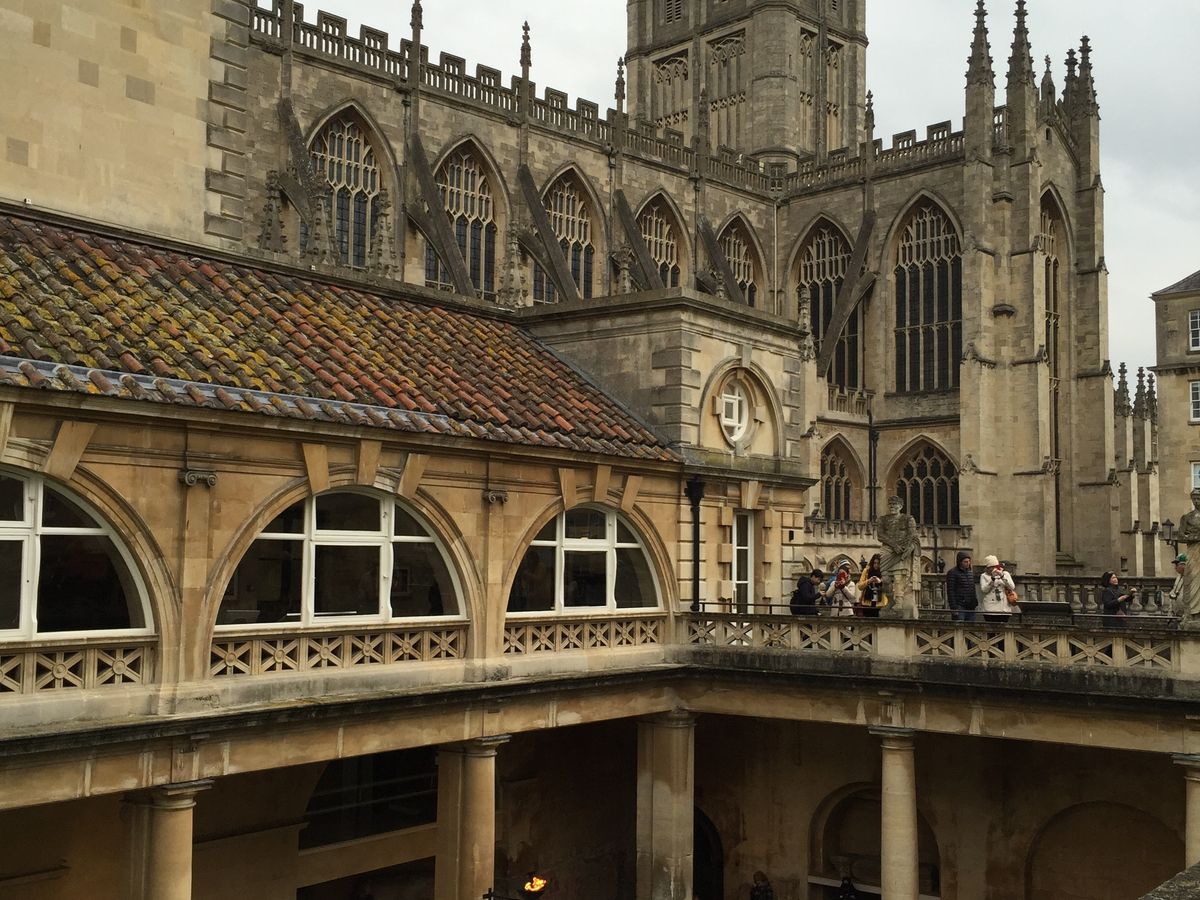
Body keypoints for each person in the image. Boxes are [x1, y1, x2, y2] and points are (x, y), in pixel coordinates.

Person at [979, 555, 1016, 623]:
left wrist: (1002, 576)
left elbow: (1012, 587)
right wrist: (992, 579)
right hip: (990, 608)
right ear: (987, 568)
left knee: (1003, 628)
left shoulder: (1005, 574)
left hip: (1003, 608)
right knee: (991, 627)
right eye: (991, 567)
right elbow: (984, 590)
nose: (994, 569)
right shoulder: (984, 576)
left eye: (996, 566)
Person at [945, 550, 978, 622]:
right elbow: (950, 591)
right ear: (960, 562)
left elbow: (972, 588)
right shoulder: (952, 573)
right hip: (959, 605)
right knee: (960, 626)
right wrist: (953, 607)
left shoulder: (970, 572)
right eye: (965, 562)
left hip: (971, 606)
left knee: (971, 627)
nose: (968, 563)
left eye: (969, 561)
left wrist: (974, 602)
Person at [856, 553, 886, 618]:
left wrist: (880, 582)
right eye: (874, 563)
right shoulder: (866, 571)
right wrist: (869, 581)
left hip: (880, 603)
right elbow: (860, 586)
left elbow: (888, 588)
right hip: (867, 603)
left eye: (878, 563)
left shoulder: (884, 572)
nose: (876, 565)